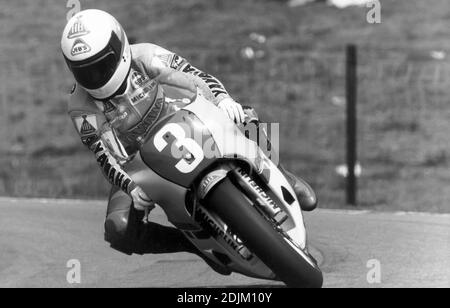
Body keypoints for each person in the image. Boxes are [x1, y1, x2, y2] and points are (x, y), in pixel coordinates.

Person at [61, 9, 317, 256]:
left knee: (245, 115)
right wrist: (130, 188)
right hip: (136, 164)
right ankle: (195, 244)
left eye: (100, 65)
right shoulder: (80, 106)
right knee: (119, 229)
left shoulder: (146, 56)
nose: (94, 77)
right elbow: (104, 155)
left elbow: (194, 75)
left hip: (184, 121)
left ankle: (282, 174)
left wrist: (222, 100)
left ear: (119, 50)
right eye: (84, 71)